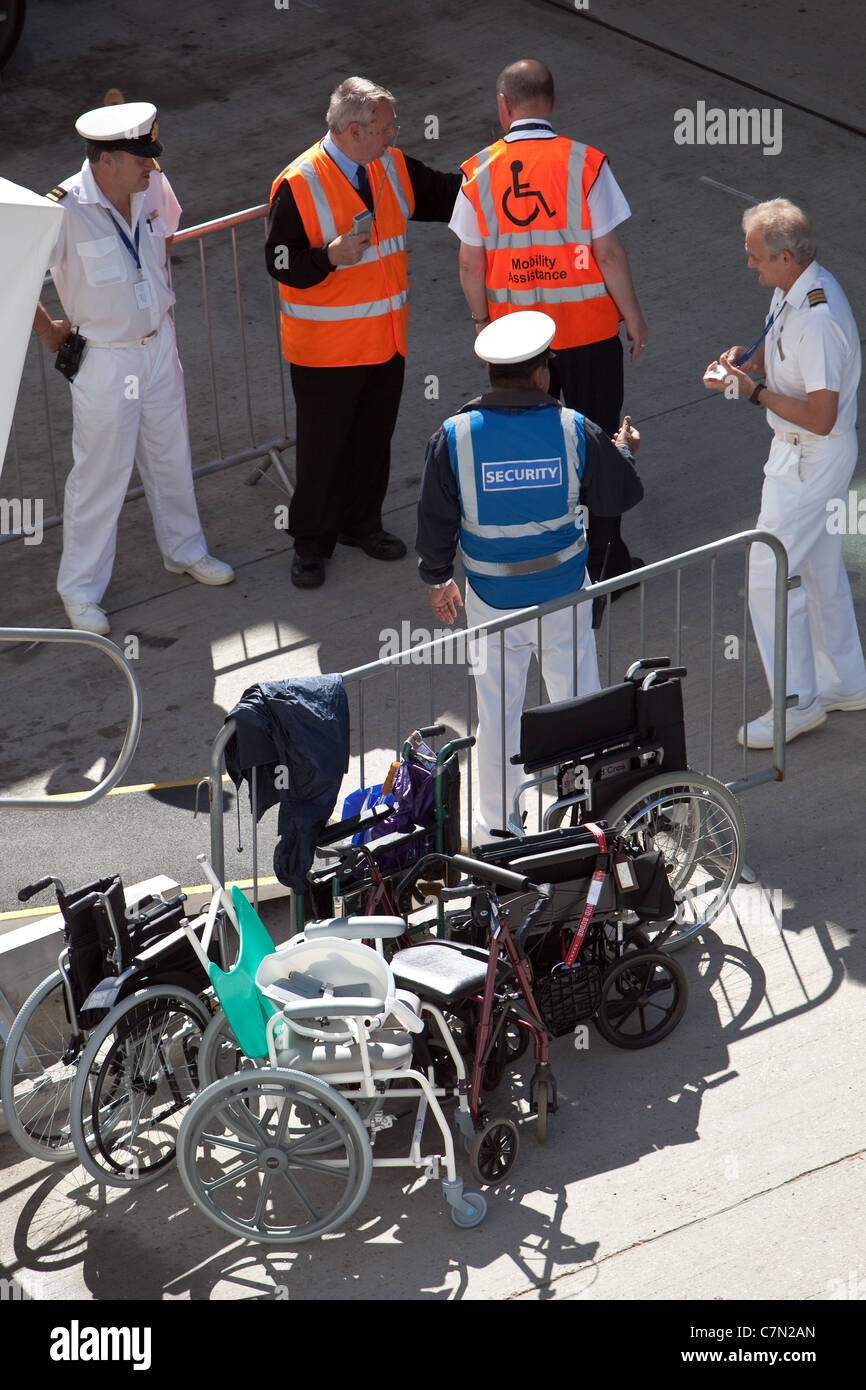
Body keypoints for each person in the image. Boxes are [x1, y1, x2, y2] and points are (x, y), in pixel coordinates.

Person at [416, 311, 643, 840]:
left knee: (497, 715)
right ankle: (588, 821)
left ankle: (498, 831)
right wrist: (624, 450)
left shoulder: (455, 436)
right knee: (577, 708)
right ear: (542, 372)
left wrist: (437, 577)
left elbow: (435, 518)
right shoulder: (572, 429)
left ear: (492, 372)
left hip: (491, 604)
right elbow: (620, 494)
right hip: (563, 599)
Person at [33, 100, 234, 636]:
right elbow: (14, 274)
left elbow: (164, 231)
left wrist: (155, 294)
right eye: (140, 156)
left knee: (171, 455)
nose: (151, 165)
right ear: (106, 161)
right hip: (103, 355)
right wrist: (51, 330)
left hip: (157, 345)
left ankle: (185, 550)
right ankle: (79, 590)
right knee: (99, 475)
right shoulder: (62, 209)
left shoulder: (150, 185)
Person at [451, 58, 648, 584]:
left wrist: (480, 324)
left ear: (503, 107)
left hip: (516, 343)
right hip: (587, 336)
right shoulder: (587, 164)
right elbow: (608, 254)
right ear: (552, 102)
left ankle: (537, 554)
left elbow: (471, 263)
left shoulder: (476, 172)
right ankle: (604, 567)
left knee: (531, 444)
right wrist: (633, 318)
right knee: (601, 442)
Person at [265, 76, 461, 589]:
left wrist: (503, 172)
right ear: (356, 131)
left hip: (383, 342)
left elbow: (444, 194)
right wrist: (328, 257)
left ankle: (362, 525)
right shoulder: (300, 182)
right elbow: (280, 261)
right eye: (387, 128)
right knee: (322, 449)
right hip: (326, 352)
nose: (394, 136)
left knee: (373, 443)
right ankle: (310, 544)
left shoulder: (389, 167)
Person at [704, 198, 866, 747]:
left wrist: (753, 392)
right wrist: (745, 367)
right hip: (805, 454)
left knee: (766, 572)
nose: (750, 265)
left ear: (788, 257)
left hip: (809, 456)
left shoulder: (817, 317)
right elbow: (783, 358)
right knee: (819, 566)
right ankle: (844, 680)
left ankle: (796, 703)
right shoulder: (792, 291)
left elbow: (821, 416)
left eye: (757, 257)